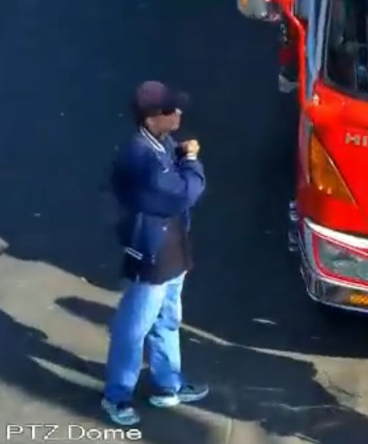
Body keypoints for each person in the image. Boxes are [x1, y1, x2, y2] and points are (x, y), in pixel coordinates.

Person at [101, 80, 208, 426]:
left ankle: (168, 383)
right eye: (169, 110)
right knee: (133, 328)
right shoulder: (140, 158)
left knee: (167, 319)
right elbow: (185, 193)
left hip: (172, 250)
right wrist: (191, 160)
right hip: (150, 255)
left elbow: (171, 177)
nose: (177, 113)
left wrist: (178, 154)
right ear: (150, 118)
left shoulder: (160, 144)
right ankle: (116, 395)